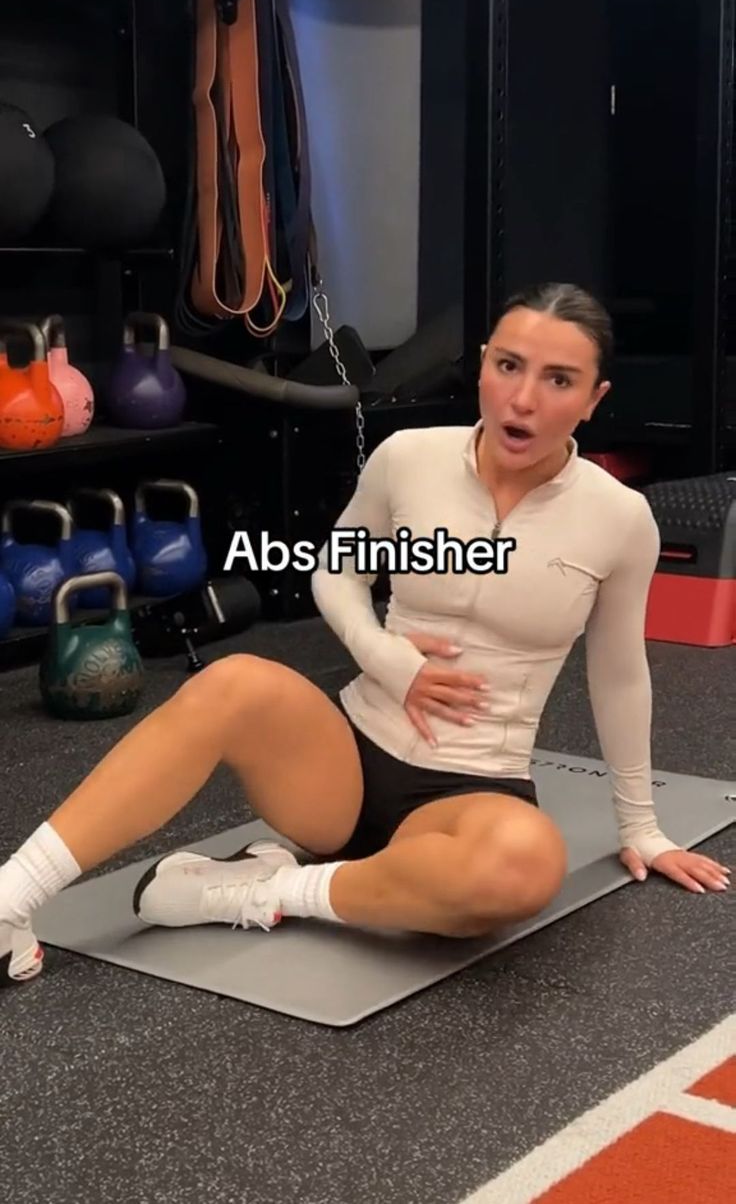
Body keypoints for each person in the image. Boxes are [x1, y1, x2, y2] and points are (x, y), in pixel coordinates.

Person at [1, 282, 729, 987]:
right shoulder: (409, 458)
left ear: (596, 398)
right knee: (231, 682)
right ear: (482, 363)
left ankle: (257, 892)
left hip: (473, 790)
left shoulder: (620, 519)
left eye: (560, 380)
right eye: (508, 366)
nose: (524, 399)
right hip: (347, 761)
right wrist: (387, 658)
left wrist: (641, 827)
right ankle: (11, 897)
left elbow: (620, 671)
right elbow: (335, 571)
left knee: (524, 870)